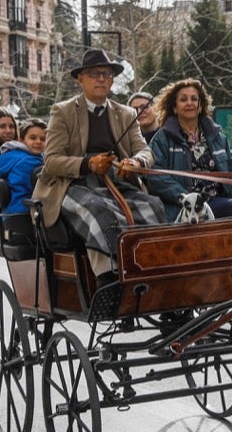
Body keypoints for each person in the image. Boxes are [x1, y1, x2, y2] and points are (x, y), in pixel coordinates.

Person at [31, 47, 164, 285]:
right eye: (94, 74)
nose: (101, 79)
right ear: (81, 79)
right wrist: (87, 163)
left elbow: (145, 150)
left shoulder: (126, 113)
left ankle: (152, 273)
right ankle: (107, 279)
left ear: (112, 79)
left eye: (106, 74)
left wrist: (135, 161)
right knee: (97, 210)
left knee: (152, 206)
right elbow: (51, 161)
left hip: (116, 180)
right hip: (71, 182)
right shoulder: (62, 111)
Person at [145, 78, 232, 220]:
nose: (189, 103)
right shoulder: (162, 138)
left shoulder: (217, 136)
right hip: (182, 208)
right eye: (183, 99)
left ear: (201, 106)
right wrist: (185, 197)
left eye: (194, 99)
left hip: (216, 201)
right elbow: (155, 177)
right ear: (174, 107)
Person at [0, 119, 47, 215]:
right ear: (21, 140)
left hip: (10, 211)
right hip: (25, 211)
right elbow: (40, 189)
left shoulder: (12, 157)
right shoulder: (30, 162)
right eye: (33, 138)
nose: (38, 142)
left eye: (43, 139)